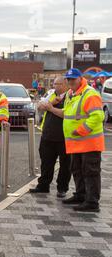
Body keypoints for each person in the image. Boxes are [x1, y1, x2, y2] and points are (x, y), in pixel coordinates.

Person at [41, 68, 105, 212]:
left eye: (73, 79)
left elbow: (97, 116)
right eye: (68, 79)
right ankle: (81, 195)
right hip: (75, 143)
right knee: (77, 170)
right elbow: (67, 114)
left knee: (90, 172)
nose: (70, 82)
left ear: (80, 78)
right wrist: (52, 108)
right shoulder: (71, 94)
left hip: (88, 142)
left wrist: (81, 130)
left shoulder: (89, 94)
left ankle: (92, 202)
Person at [30, 76, 71, 198]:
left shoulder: (71, 96)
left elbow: (66, 114)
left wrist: (51, 108)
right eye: (54, 84)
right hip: (48, 135)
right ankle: (43, 185)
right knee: (46, 162)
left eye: (57, 84)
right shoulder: (51, 94)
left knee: (65, 165)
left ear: (65, 84)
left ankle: (62, 188)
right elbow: (40, 107)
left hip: (64, 136)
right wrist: (52, 103)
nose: (54, 86)